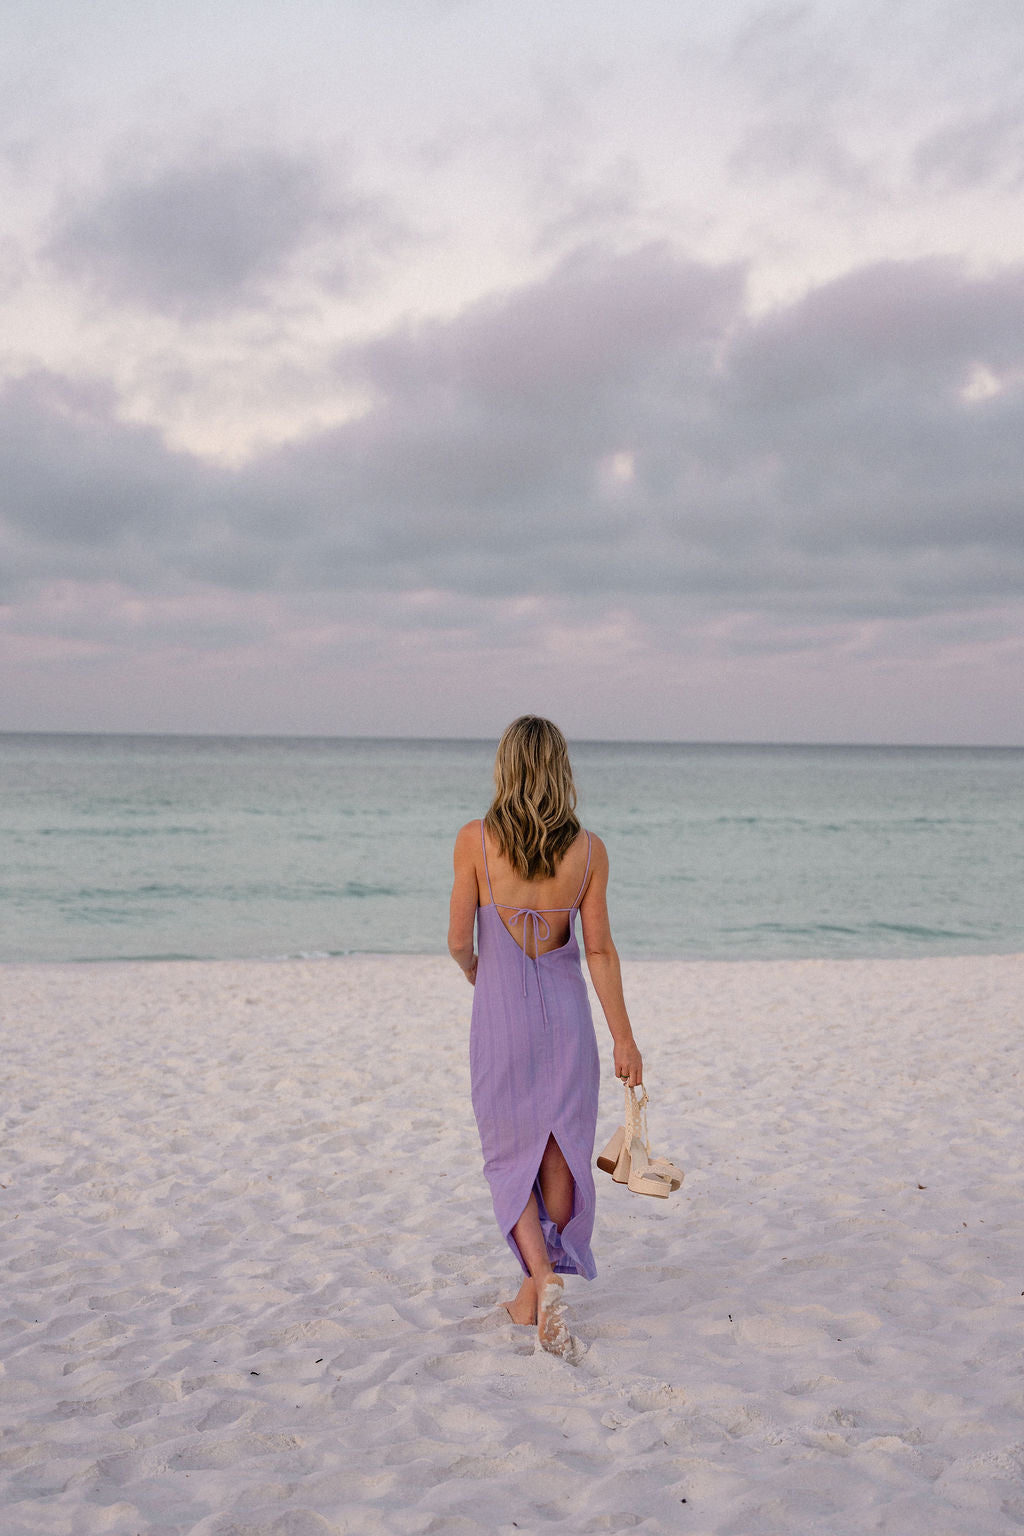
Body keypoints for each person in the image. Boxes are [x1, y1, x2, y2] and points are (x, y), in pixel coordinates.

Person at [448, 715, 643, 1361]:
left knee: (508, 1157)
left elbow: (456, 941)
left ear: (505, 767)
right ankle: (539, 1286)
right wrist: (624, 1040)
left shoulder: (474, 842)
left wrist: (483, 973)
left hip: (499, 1017)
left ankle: (540, 1281)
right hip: (567, 1021)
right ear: (561, 770)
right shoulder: (589, 851)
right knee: (559, 1152)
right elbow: (600, 951)